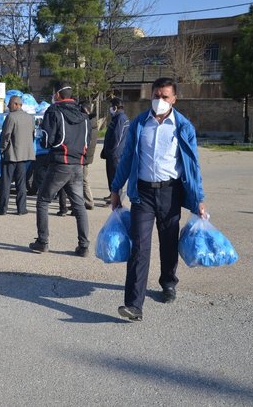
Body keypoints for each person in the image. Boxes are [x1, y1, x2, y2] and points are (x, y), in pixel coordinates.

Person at [110, 77, 207, 322]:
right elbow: (127, 158)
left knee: (168, 242)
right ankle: (134, 304)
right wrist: (115, 189)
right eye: (156, 95)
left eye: (165, 96)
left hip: (170, 192)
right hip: (142, 193)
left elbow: (192, 167)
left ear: (174, 99)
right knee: (139, 247)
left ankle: (168, 283)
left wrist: (199, 199)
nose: (159, 101)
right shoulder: (140, 123)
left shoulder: (183, 127)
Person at [29, 81, 90, 257]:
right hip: (78, 164)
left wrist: (42, 139)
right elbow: (87, 141)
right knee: (79, 206)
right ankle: (84, 246)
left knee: (43, 200)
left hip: (60, 163)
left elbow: (47, 139)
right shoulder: (83, 114)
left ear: (57, 94)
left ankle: (42, 241)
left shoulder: (54, 111)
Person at [0, 95, 35, 215]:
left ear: (16, 104)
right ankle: (21, 209)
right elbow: (32, 135)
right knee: (21, 183)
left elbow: (6, 136)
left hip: (11, 156)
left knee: (6, 183)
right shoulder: (30, 118)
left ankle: (3, 209)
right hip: (23, 156)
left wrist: (2, 149)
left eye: (9, 104)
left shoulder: (11, 117)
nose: (8, 107)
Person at [101, 97, 129, 204]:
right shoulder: (116, 117)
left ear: (115, 107)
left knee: (115, 176)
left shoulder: (120, 118)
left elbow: (117, 137)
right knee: (111, 175)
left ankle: (116, 198)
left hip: (116, 154)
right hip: (112, 153)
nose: (110, 109)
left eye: (111, 107)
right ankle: (112, 193)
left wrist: (111, 151)